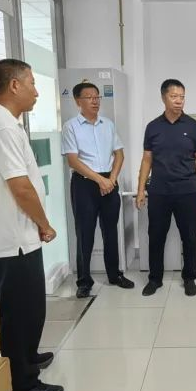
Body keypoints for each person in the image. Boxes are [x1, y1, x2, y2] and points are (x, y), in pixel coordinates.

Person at [0, 58, 63, 391]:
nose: (36, 92)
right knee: (21, 311)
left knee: (30, 307)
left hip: (19, 236)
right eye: (32, 83)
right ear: (14, 85)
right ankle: (22, 383)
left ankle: (28, 356)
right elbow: (20, 187)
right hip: (15, 239)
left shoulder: (4, 124)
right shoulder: (1, 127)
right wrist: (44, 224)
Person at [135, 79, 196, 297]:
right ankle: (155, 279)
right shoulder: (153, 127)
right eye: (174, 96)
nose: (179, 101)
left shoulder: (193, 126)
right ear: (163, 98)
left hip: (187, 190)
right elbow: (147, 160)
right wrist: (141, 190)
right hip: (159, 191)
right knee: (155, 236)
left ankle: (189, 277)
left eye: (182, 97)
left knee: (189, 236)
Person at [62, 81, 135, 298]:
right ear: (78, 101)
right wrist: (99, 180)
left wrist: (111, 179)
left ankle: (114, 275)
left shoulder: (108, 125)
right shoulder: (70, 126)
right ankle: (84, 282)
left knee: (111, 231)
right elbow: (73, 160)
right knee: (84, 233)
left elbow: (119, 154)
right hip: (85, 183)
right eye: (89, 97)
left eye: (97, 97)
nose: (95, 101)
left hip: (109, 181)